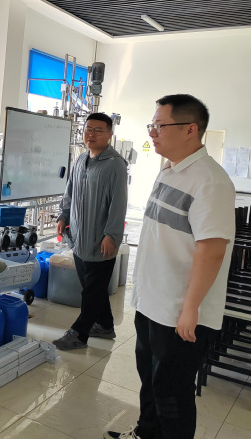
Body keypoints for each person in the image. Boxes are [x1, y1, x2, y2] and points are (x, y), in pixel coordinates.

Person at [106, 95, 235, 439]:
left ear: (190, 129)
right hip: (152, 303)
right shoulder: (169, 170)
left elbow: (211, 251)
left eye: (159, 126)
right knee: (150, 379)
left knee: (172, 393)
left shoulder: (210, 182)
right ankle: (145, 433)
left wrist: (190, 308)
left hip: (180, 312)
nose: (152, 133)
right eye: (152, 125)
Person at [52, 112, 128, 351]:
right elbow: (70, 192)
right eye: (88, 129)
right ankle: (105, 325)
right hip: (78, 238)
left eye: (98, 130)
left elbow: (119, 203)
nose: (91, 134)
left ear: (109, 135)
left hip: (100, 239)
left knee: (92, 291)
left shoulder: (115, 165)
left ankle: (79, 333)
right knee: (92, 287)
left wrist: (112, 235)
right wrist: (63, 216)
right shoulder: (81, 160)